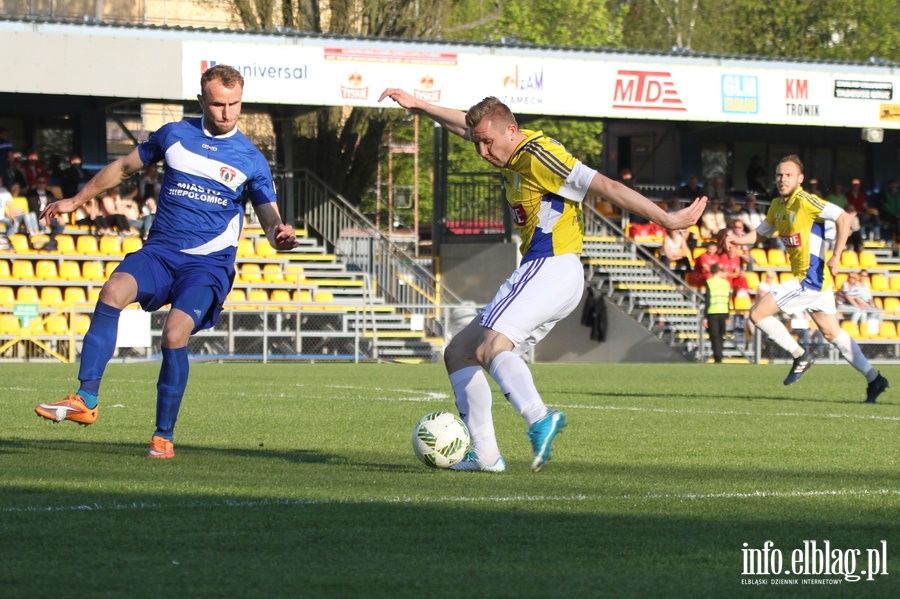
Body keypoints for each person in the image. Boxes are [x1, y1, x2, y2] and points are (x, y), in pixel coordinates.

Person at [379, 87, 706, 472]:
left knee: (491, 345)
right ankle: (485, 455)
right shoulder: (507, 150)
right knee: (460, 352)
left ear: (512, 131)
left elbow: (606, 186)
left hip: (550, 265)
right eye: (478, 143)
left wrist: (666, 219)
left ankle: (539, 418)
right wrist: (421, 106)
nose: (482, 151)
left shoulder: (540, 154)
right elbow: (465, 128)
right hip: (548, 271)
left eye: (487, 142)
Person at [34, 64, 299, 457]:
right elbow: (123, 168)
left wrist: (281, 235)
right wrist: (76, 199)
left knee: (174, 334)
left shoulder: (251, 160)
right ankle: (86, 399)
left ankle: (163, 435)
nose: (227, 112)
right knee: (112, 290)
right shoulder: (174, 134)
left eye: (234, 104)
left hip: (207, 266)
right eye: (217, 104)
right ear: (201, 101)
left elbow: (270, 218)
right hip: (160, 253)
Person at [725, 154, 888, 403]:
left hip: (809, 280)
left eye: (788, 175)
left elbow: (845, 217)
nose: (782, 179)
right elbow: (760, 235)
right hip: (815, 283)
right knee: (833, 334)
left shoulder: (806, 201)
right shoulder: (778, 206)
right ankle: (875, 378)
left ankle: (800, 354)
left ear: (800, 179)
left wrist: (836, 255)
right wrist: (737, 239)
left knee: (757, 313)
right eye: (779, 174)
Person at [705, 263, 730, 364]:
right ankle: (719, 354)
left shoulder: (709, 282)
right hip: (724, 311)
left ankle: (717, 356)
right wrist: (728, 315)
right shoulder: (726, 283)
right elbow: (728, 299)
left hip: (712, 311)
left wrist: (705, 316)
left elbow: (707, 299)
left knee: (714, 335)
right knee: (721, 335)